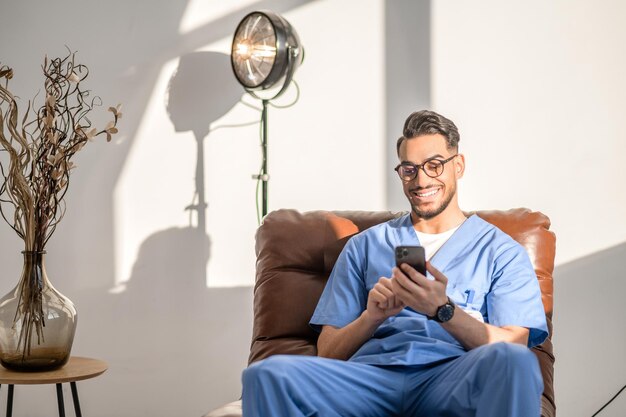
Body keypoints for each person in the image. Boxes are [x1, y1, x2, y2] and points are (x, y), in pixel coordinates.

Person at [242, 110, 548, 417]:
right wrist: (371, 317)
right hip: (372, 379)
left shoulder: (500, 251)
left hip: (451, 377)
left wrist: (444, 311)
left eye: (434, 165)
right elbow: (327, 351)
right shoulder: (365, 246)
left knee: (515, 363)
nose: (421, 180)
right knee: (267, 375)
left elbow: (514, 344)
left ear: (458, 166)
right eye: (409, 169)